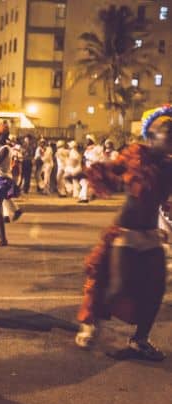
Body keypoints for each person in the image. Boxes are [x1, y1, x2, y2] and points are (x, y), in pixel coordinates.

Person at [75, 110, 172, 361]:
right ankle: (92, 324)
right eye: (168, 137)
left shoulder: (169, 167)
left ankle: (140, 339)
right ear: (152, 137)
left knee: (157, 288)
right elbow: (111, 170)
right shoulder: (134, 155)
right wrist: (84, 173)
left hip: (150, 235)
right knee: (117, 286)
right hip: (125, 233)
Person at [0, 127, 21, 246]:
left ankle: (3, 239)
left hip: (2, 181)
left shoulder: (5, 149)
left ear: (3, 136)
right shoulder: (3, 148)